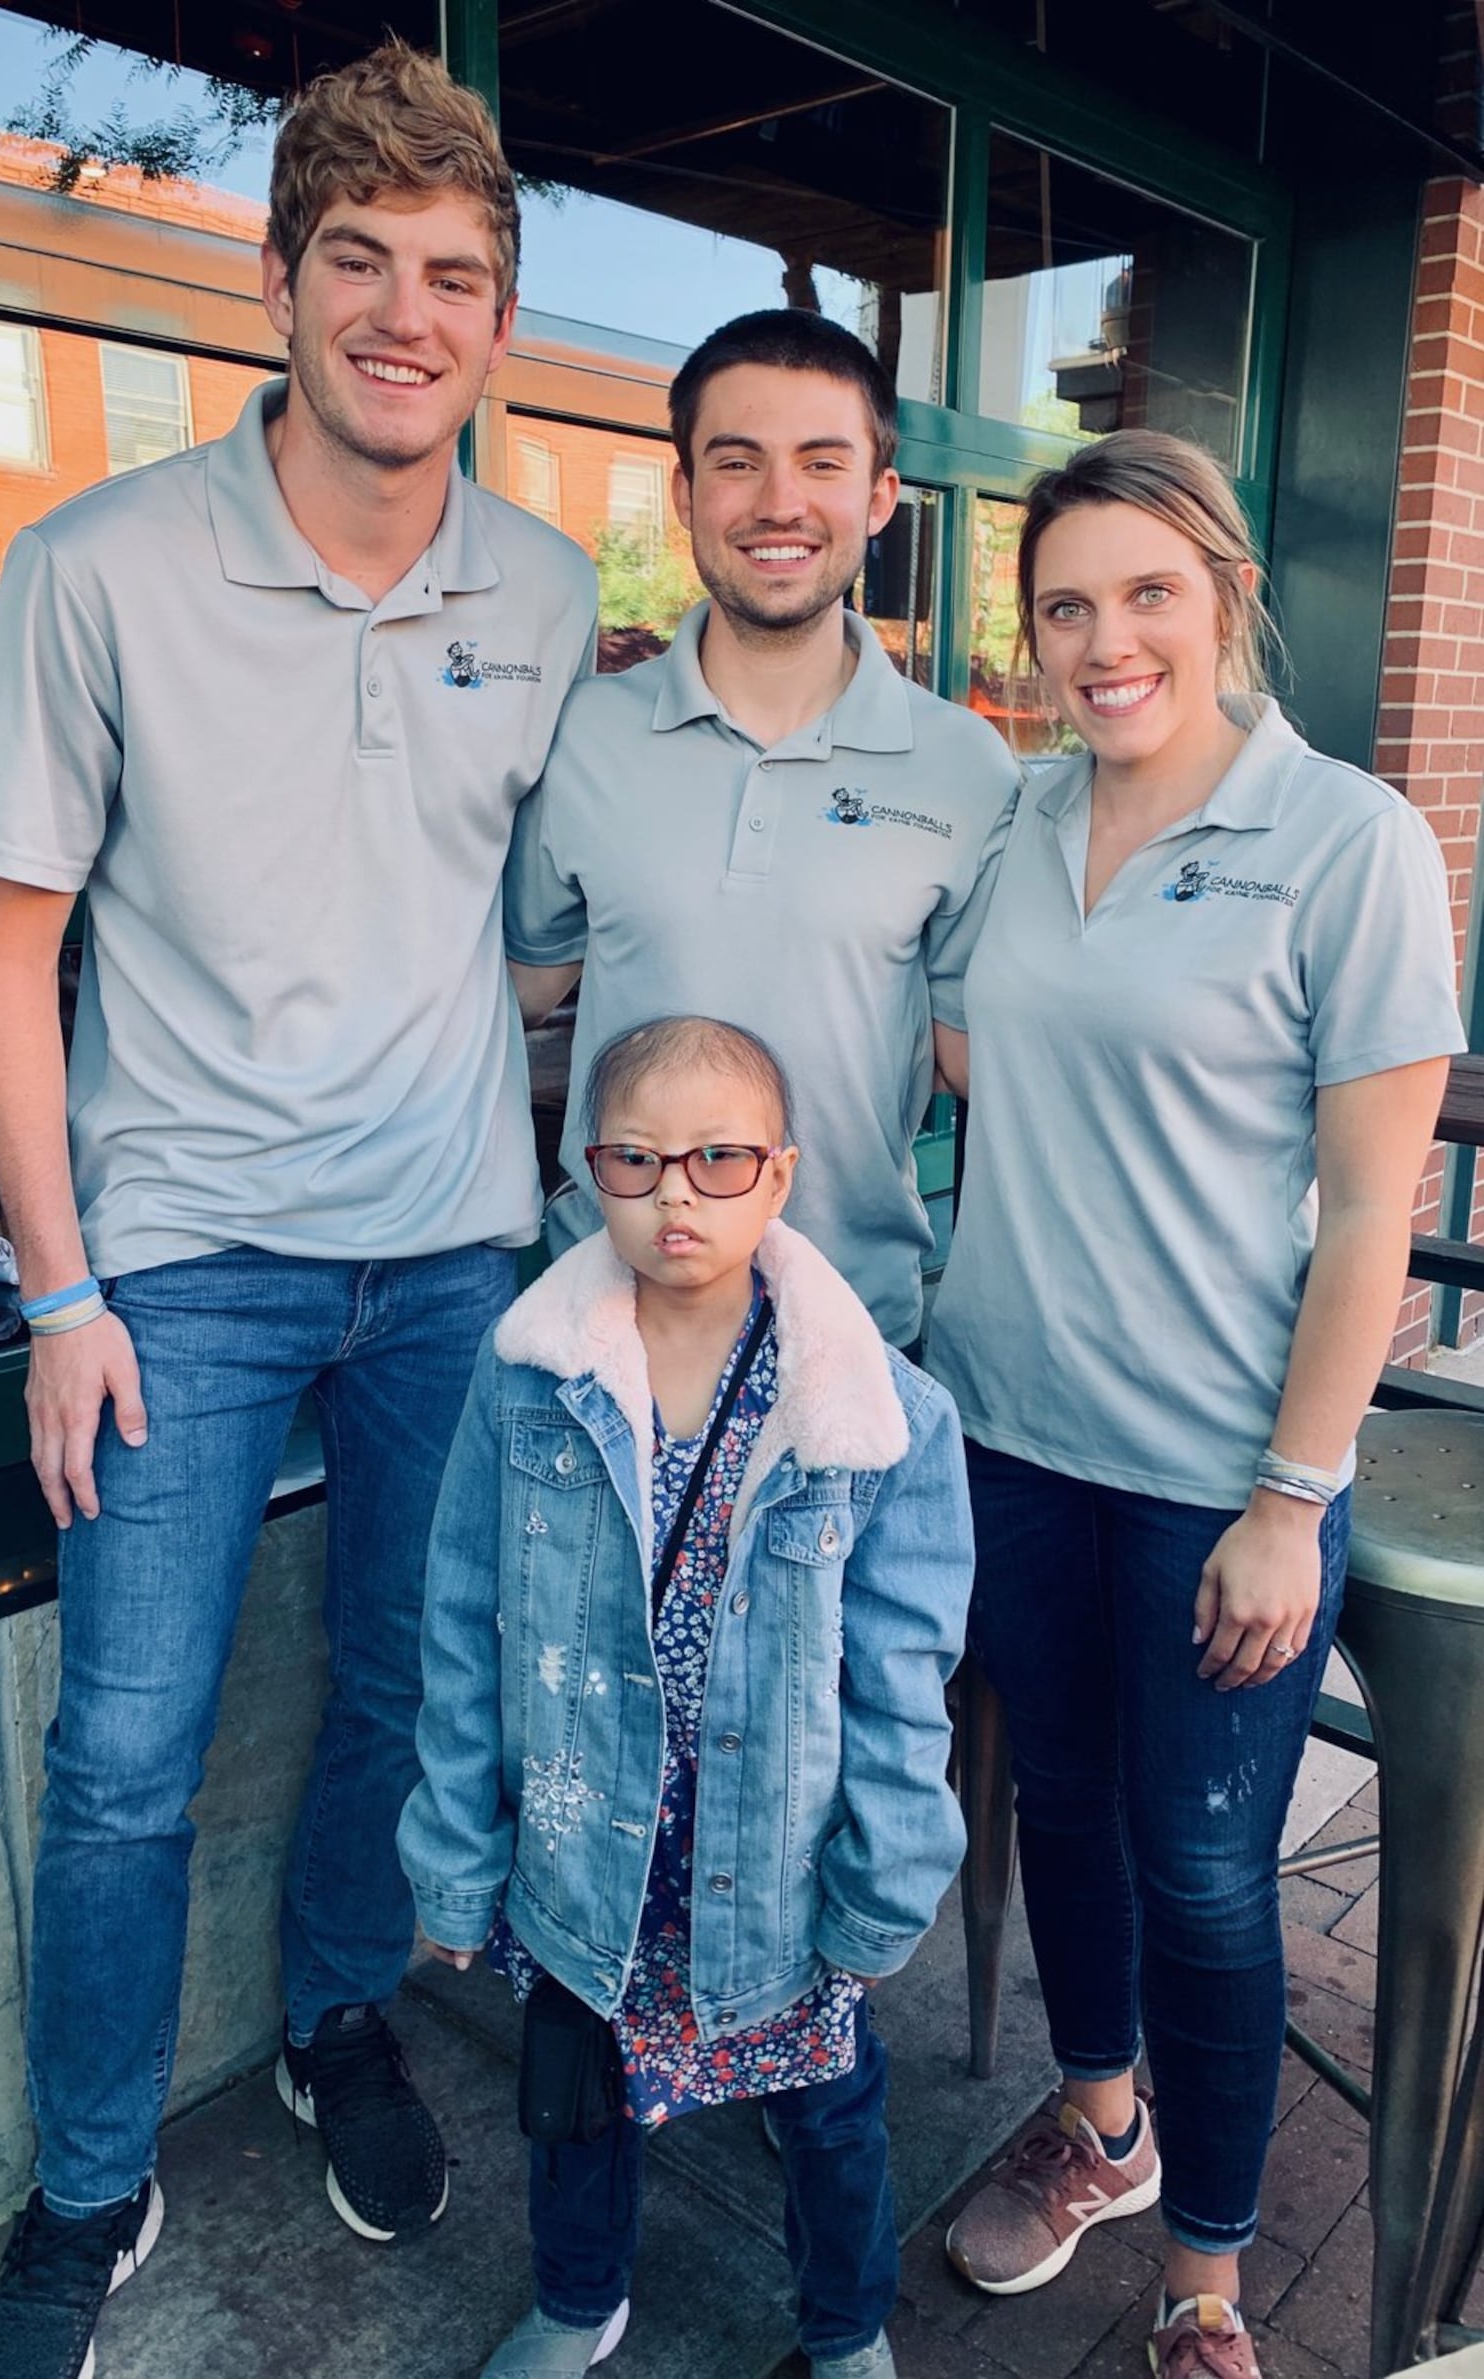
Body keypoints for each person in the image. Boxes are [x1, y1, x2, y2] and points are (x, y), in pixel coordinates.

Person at [0, 41, 597, 2379]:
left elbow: (549, 922)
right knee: (124, 1750)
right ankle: (88, 2189)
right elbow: (7, 944)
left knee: (398, 1689)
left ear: (496, 318)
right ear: (282, 279)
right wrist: (60, 1280)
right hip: (181, 1265)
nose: (405, 316)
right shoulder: (96, 566)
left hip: (448, 1252)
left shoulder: (538, 588)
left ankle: (341, 2021)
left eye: (451, 276)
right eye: (360, 264)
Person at [928, 429, 1466, 2379]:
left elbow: (1365, 1221)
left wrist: (1287, 1492)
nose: (1100, 638)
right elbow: (971, 1048)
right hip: (1007, 1431)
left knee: (1205, 1873)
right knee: (1058, 1800)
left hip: (1206, 1476)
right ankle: (1101, 2119)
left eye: (1142, 590)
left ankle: (1206, 2288)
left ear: (1223, 591)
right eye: (1061, 605)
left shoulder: (1344, 839)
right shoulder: (1010, 814)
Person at [400, 1014, 974, 2379]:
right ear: (585, 1169)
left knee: (829, 2105)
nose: (676, 1194)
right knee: (575, 2088)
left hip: (772, 1860)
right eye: (639, 1158)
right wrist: (454, 1856)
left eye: (718, 1158)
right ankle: (578, 2293)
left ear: (780, 1173)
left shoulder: (877, 1415)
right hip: (581, 1836)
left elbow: (904, 1677)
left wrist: (887, 1875)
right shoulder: (527, 1376)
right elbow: (459, 1618)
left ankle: (844, 2325)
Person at [505, 309, 1021, 1356]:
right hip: (598, 1326)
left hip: (850, 1332)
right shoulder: (583, 734)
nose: (779, 503)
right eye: (736, 463)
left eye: (820, 462)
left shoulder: (966, 770)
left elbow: (995, 1063)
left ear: (878, 497)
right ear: (686, 493)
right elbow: (506, 996)